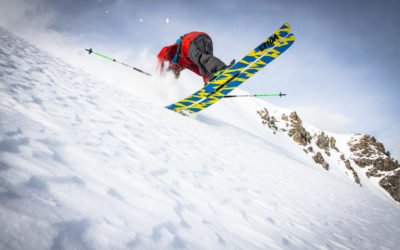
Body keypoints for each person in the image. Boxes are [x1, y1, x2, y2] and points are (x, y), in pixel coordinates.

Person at [157, 31, 229, 85]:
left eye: (175, 74)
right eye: (177, 76)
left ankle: (221, 68)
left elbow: (160, 55)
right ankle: (215, 77)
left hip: (191, 40)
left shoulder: (172, 56)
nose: (177, 74)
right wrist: (209, 84)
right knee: (204, 67)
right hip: (206, 40)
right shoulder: (188, 65)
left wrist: (159, 74)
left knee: (200, 58)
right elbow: (203, 72)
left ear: (171, 69)